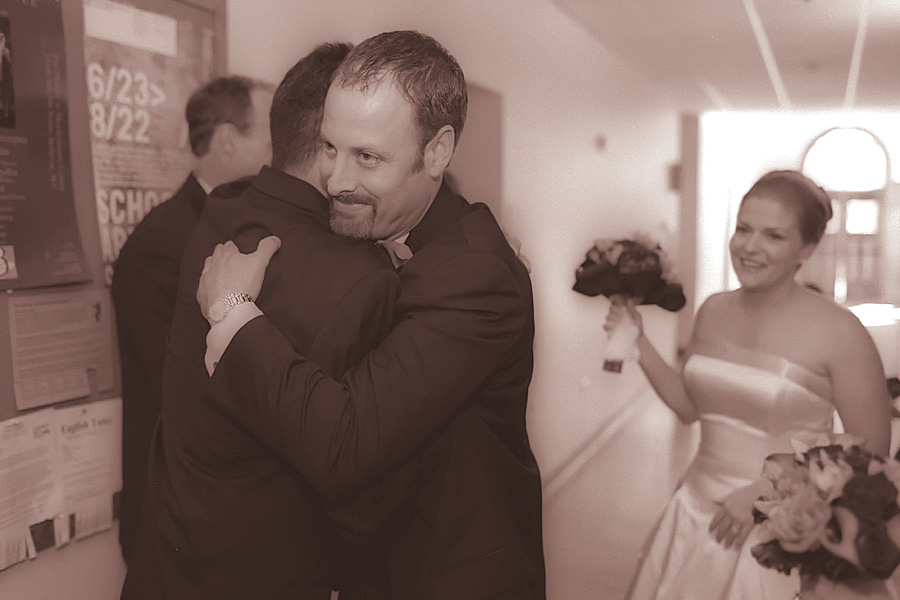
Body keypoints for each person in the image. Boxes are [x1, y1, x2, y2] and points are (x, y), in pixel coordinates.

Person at [197, 30, 545, 599]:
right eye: (330, 148)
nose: (336, 181)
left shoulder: (477, 275)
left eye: (368, 157)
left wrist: (231, 312)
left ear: (437, 152)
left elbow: (344, 441)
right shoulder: (394, 233)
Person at [120, 43, 411, 599]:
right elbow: (363, 490)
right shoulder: (362, 278)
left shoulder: (220, 214)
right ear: (331, 146)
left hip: (171, 565)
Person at [610, 170, 892, 599]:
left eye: (773, 236)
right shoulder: (713, 310)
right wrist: (638, 341)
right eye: (743, 229)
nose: (749, 247)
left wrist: (767, 493)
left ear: (807, 249)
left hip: (781, 531)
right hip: (696, 512)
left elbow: (870, 453)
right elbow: (689, 408)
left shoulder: (840, 331)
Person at [111, 74, 274, 563]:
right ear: (227, 140)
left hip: (223, 506)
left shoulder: (241, 225)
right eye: (270, 137)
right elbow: (179, 387)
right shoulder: (162, 243)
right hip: (177, 512)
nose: (279, 152)